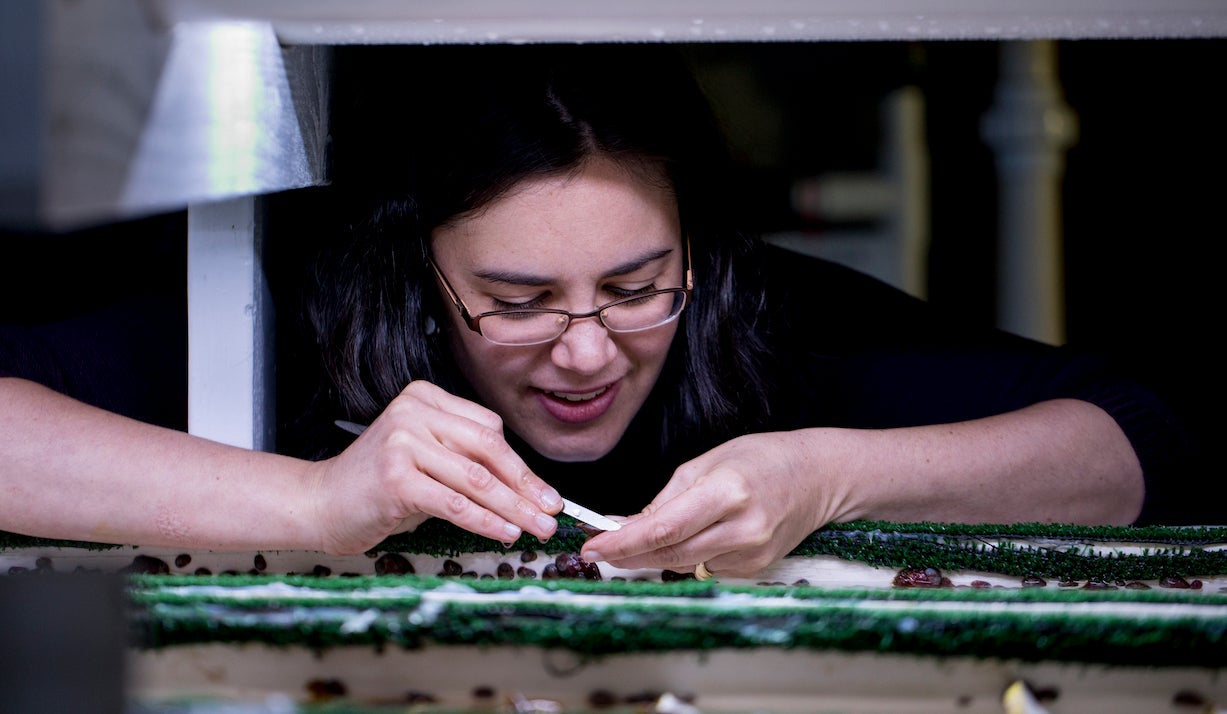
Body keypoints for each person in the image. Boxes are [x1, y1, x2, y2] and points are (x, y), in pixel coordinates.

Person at [0, 44, 1194, 579]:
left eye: (633, 289)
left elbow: (1140, 436)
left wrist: (828, 476)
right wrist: (316, 499)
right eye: (515, 301)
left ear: (695, 253)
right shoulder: (303, 313)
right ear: (420, 271)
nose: (586, 351)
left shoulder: (748, 319)